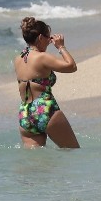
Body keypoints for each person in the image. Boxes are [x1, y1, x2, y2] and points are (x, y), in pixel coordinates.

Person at [15, 16, 79, 148]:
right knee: (73, 152)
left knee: (35, 164)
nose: (50, 42)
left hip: (25, 114)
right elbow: (71, 66)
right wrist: (61, 47)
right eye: (48, 38)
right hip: (44, 110)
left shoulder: (18, 59)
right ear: (40, 38)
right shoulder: (42, 57)